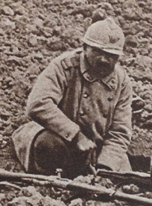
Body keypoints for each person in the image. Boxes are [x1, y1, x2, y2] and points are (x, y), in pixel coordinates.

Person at [12, 17, 134, 177]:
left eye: (111, 55)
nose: (104, 59)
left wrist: (106, 167)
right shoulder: (64, 66)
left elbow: (120, 131)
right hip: (59, 136)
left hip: (96, 149)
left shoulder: (122, 82)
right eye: (98, 52)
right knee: (48, 146)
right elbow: (38, 103)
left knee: (123, 179)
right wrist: (77, 136)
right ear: (84, 47)